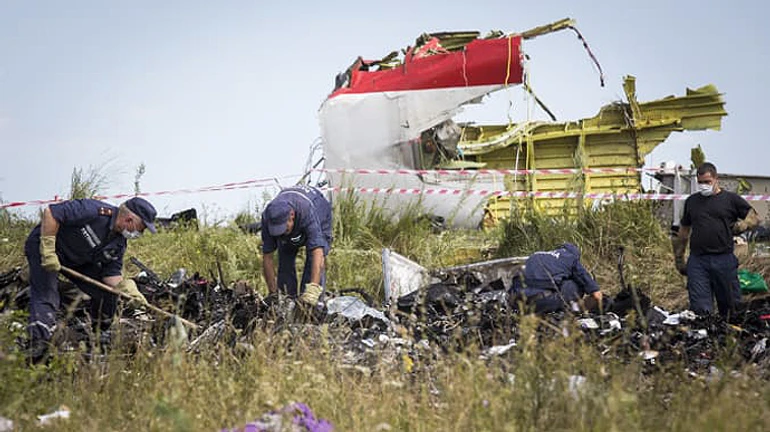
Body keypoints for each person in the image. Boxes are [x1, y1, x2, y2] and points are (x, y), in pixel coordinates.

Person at [25, 197, 157, 363]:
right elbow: (51, 213)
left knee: (107, 294)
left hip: (76, 261)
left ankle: (98, 336)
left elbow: (111, 276)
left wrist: (127, 289)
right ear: (129, 219)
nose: (140, 234)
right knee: (47, 294)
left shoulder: (119, 244)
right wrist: (48, 250)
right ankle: (38, 345)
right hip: (45, 248)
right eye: (141, 229)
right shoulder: (93, 211)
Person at [672, 162, 760, 318]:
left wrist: (742, 226)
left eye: (707, 182)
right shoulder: (692, 201)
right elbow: (684, 231)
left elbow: (754, 218)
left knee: (731, 309)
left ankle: (730, 330)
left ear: (716, 179)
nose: (704, 186)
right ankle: (704, 331)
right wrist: (679, 258)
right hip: (698, 262)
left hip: (724, 260)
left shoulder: (731, 200)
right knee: (700, 311)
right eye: (700, 183)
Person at [261, 185, 333, 306]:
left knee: (312, 262)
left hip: (319, 211)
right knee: (284, 258)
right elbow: (267, 256)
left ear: (292, 215)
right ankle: (287, 302)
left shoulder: (306, 211)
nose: (281, 233)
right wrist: (273, 293)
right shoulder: (267, 216)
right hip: (295, 221)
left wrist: (313, 289)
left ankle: (312, 305)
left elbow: (317, 251)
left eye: (283, 228)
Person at [511, 243, 603, 314]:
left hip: (517, 301)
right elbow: (594, 291)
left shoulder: (536, 255)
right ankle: (572, 310)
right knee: (575, 285)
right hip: (541, 302)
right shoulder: (571, 258)